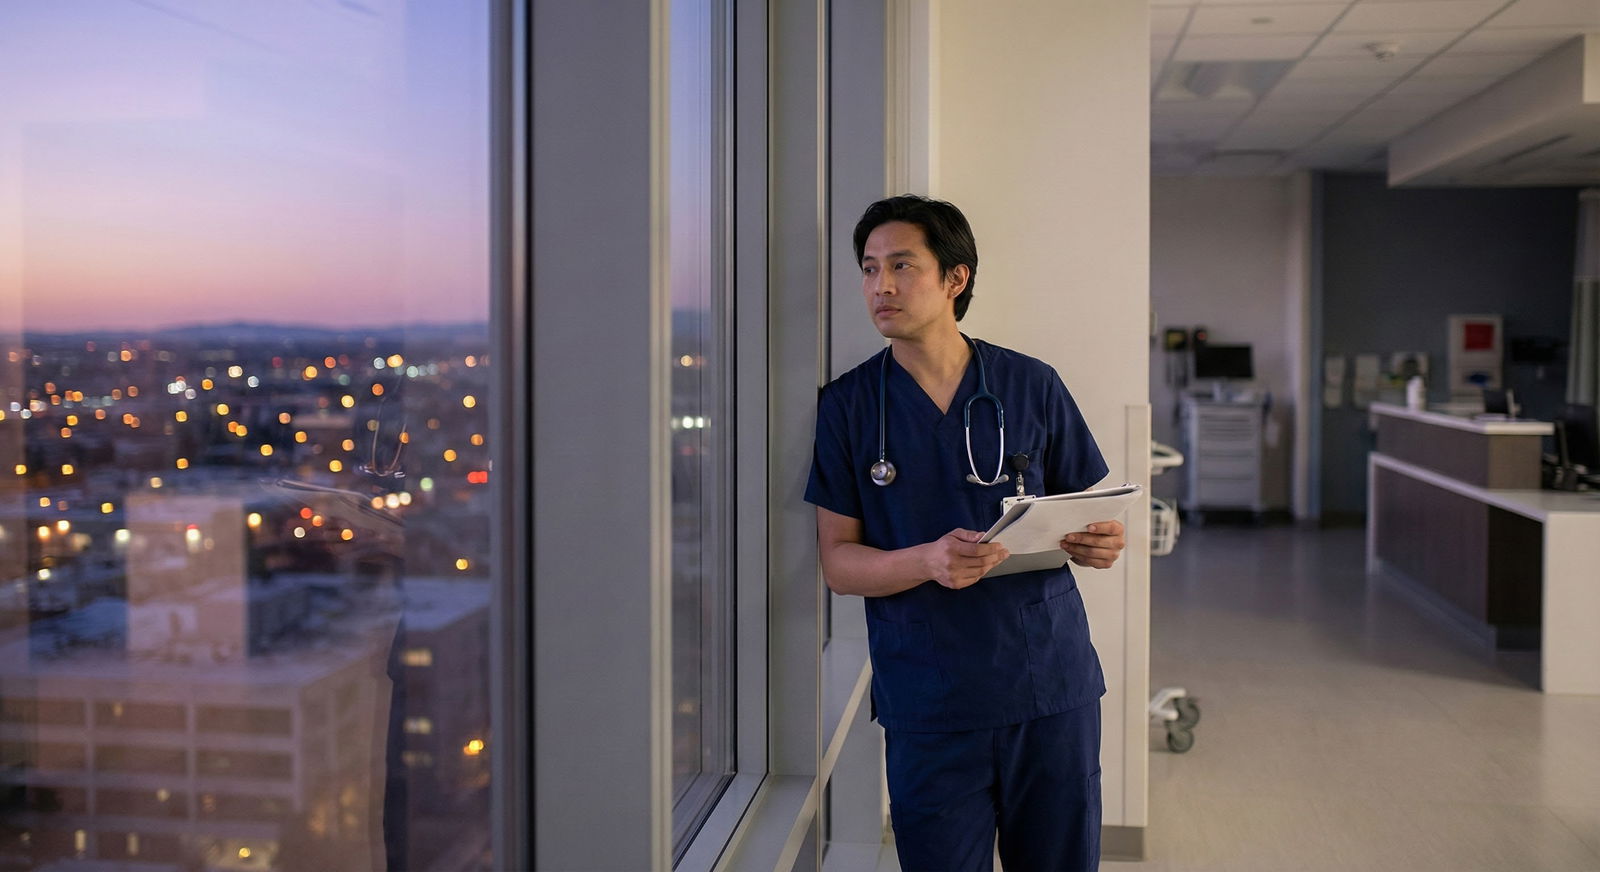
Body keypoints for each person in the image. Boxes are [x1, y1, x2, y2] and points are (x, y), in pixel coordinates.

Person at [805, 195, 1127, 871]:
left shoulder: (1031, 385)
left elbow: (1085, 513)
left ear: (957, 278)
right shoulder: (848, 407)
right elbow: (838, 564)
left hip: (1048, 688)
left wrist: (1098, 542)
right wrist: (925, 560)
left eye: (901, 265)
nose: (880, 286)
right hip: (931, 702)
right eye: (867, 269)